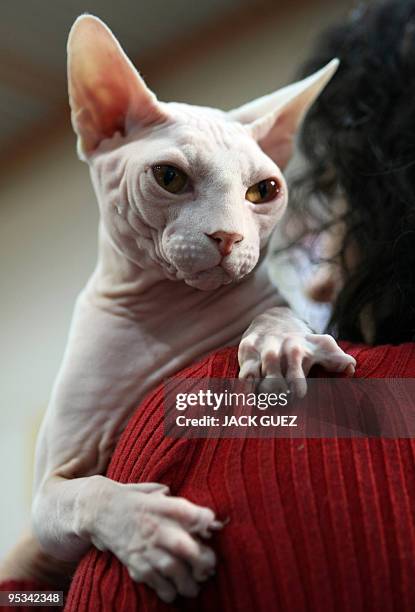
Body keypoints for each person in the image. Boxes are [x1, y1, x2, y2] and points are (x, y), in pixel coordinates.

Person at [2, 1, 415, 610]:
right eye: (169, 178)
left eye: (262, 192)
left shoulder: (204, 411)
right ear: (103, 122)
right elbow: (54, 513)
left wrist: (15, 587)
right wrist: (80, 526)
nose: (229, 230)